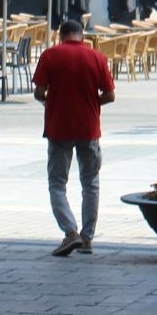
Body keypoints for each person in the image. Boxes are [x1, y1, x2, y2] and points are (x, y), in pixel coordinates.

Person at [32, 18, 115, 256]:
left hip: (59, 127)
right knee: (90, 183)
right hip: (89, 128)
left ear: (60, 36)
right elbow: (109, 95)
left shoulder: (50, 55)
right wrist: (91, 102)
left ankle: (70, 232)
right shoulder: (97, 57)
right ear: (82, 35)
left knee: (57, 183)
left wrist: (51, 102)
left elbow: (39, 92)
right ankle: (87, 238)